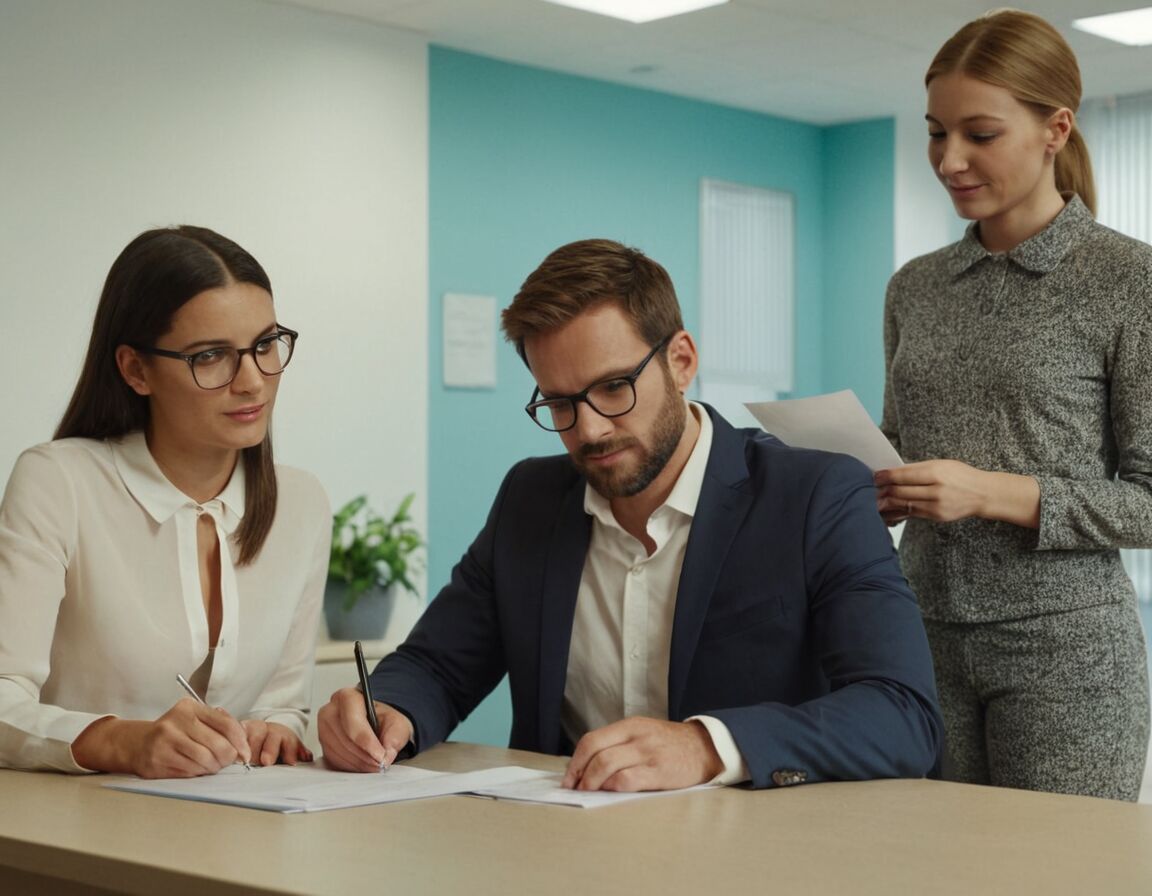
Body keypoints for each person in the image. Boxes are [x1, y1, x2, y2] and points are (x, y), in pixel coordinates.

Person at [319, 238, 941, 791]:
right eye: (560, 403)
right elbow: (438, 665)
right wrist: (384, 711)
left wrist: (707, 745)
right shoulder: (529, 501)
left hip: (757, 860)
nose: (589, 429)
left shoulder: (815, 495)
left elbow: (902, 712)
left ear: (681, 360)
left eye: (614, 387)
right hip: (567, 855)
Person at [876, 10, 1152, 801]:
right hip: (920, 639)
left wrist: (990, 493)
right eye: (936, 133)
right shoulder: (915, 288)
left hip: (1067, 658)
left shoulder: (1128, 282)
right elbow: (901, 442)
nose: (949, 159)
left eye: (980, 134)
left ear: (1054, 129)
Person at [0, 226, 330, 777]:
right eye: (210, 356)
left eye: (266, 345)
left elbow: (283, 705)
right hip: (75, 831)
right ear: (135, 369)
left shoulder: (302, 502)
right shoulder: (58, 481)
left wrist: (275, 731)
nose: (252, 382)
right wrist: (124, 743)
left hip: (238, 831)